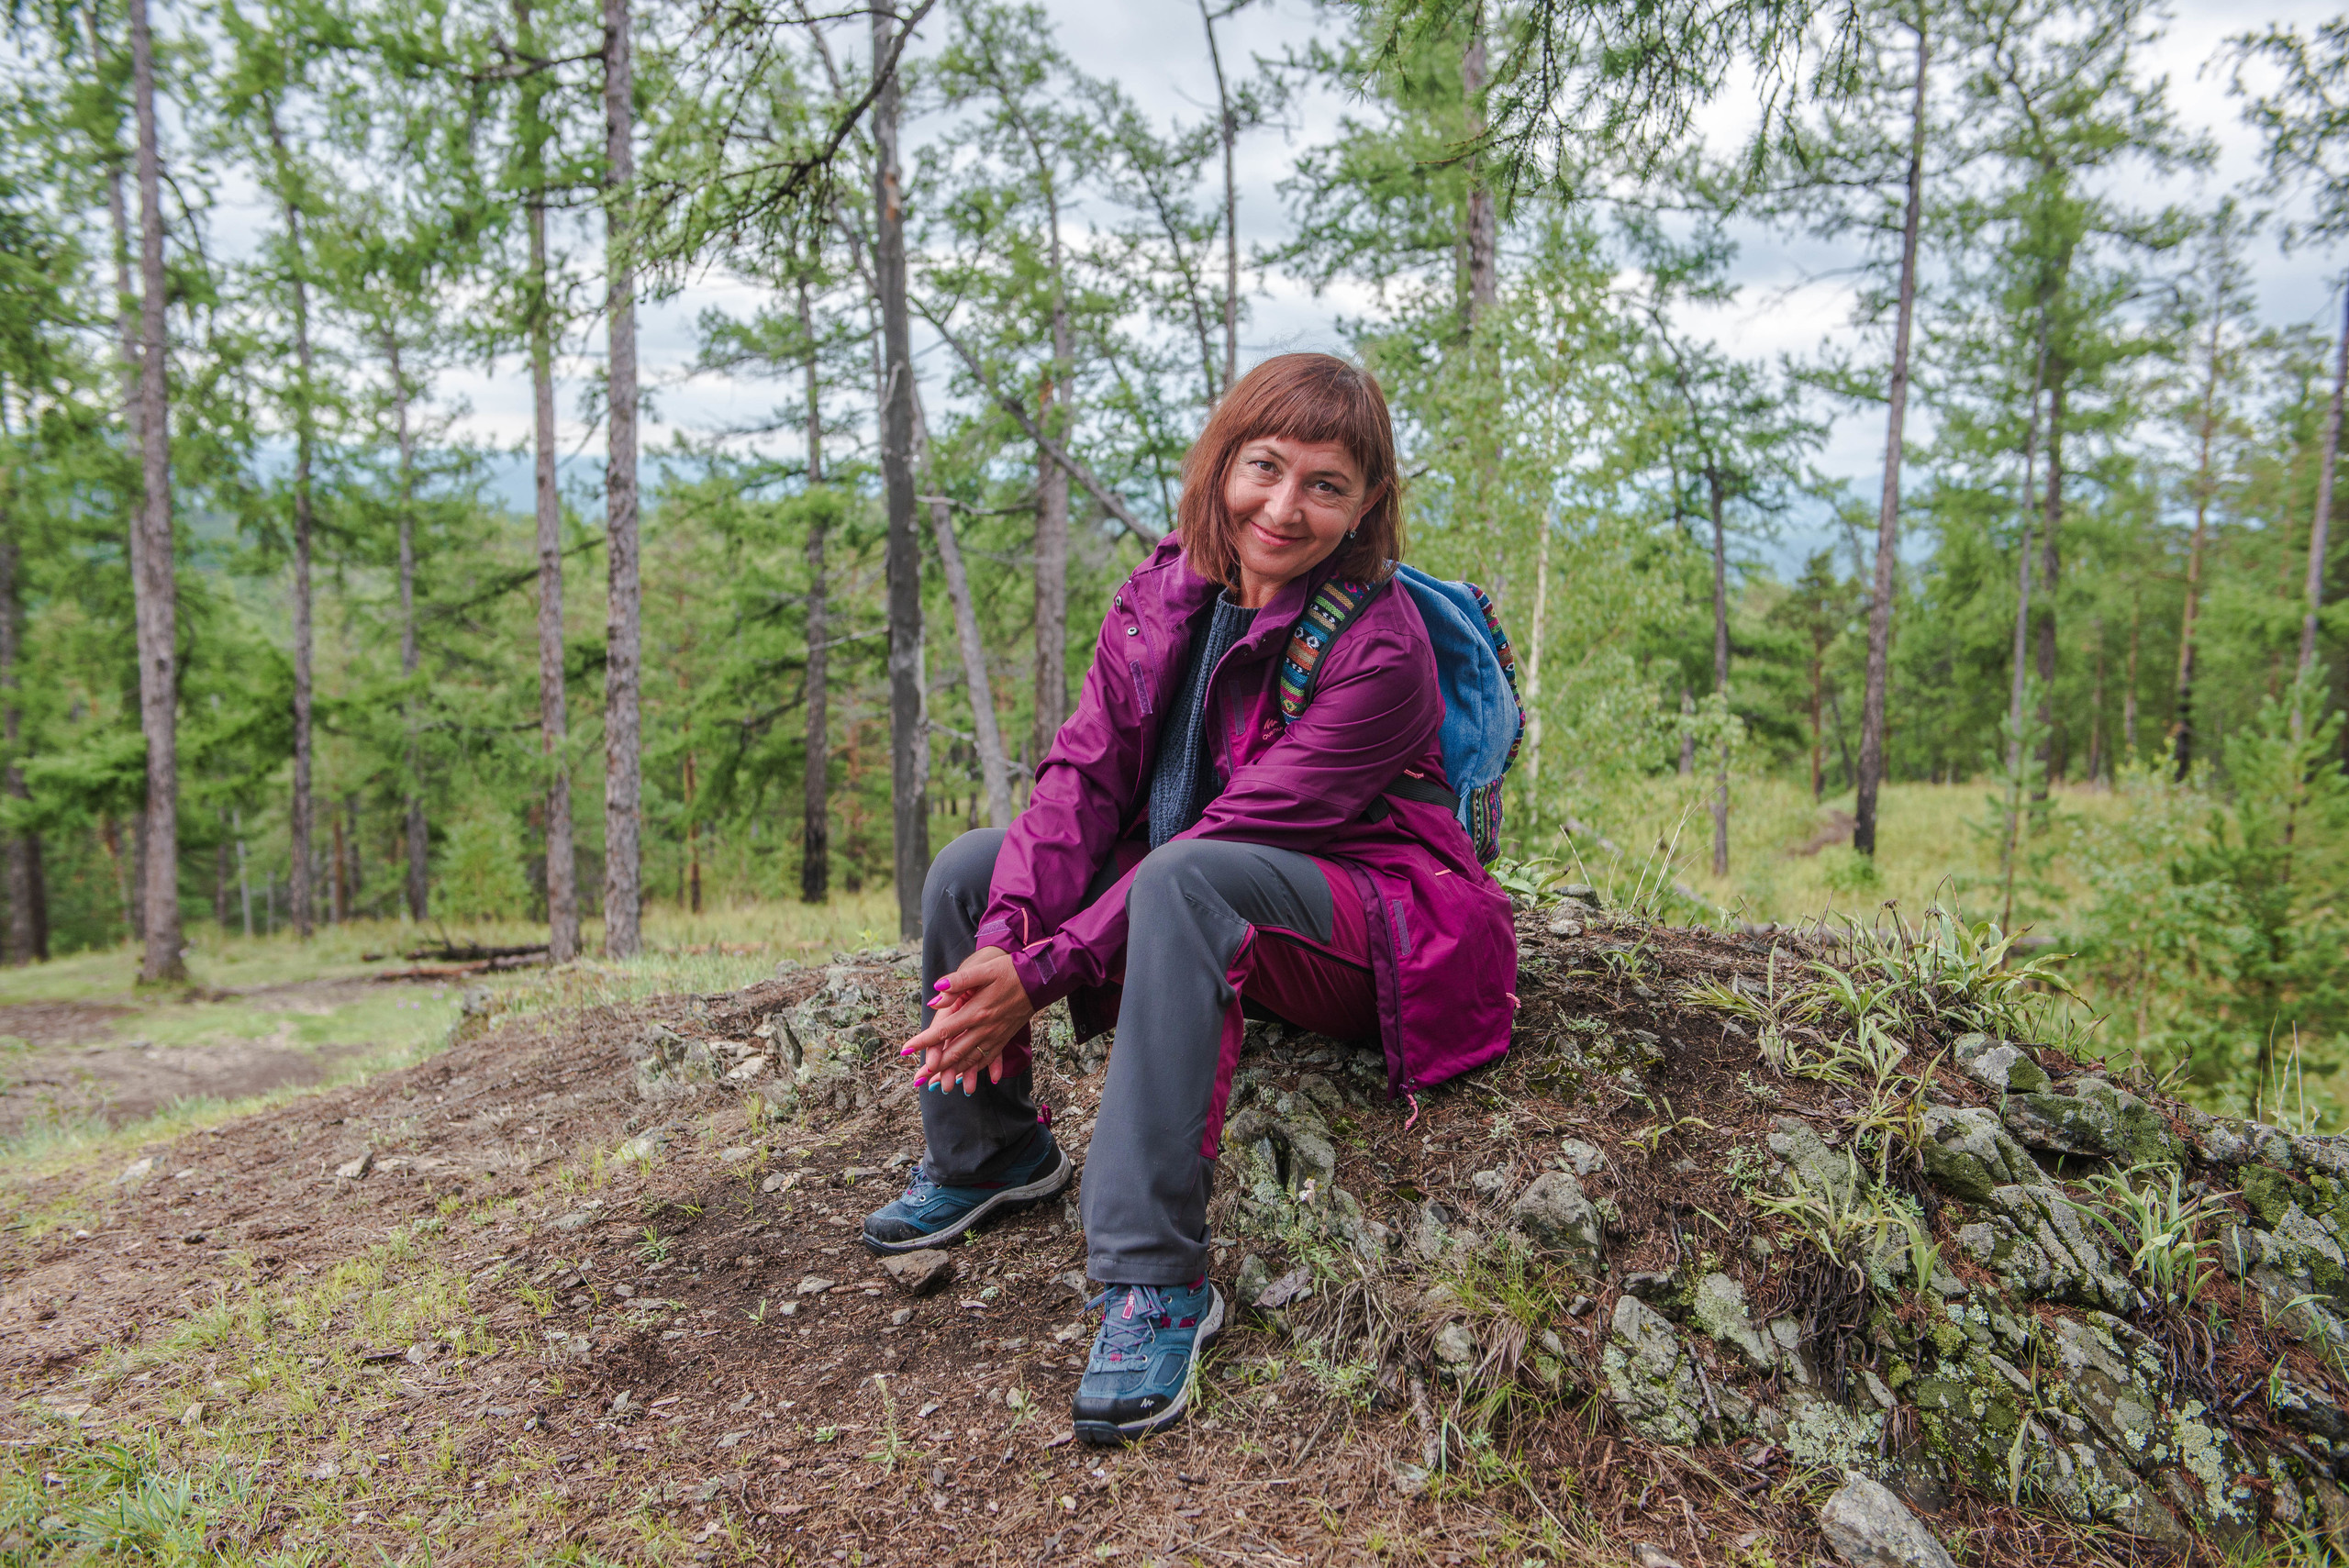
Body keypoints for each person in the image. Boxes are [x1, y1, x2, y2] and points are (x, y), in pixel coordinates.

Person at [859, 352, 1517, 1445]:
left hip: (1376, 923)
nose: (1283, 506)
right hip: (1210, 881)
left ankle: (1157, 1277)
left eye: (1326, 484)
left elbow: (1238, 830)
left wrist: (1043, 972)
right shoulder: (1167, 588)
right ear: (1221, 463)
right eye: (1265, 467)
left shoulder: (1382, 649)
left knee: (1184, 876)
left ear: (1366, 507)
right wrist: (1008, 938)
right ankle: (991, 1152)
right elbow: (1082, 780)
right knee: (974, 865)